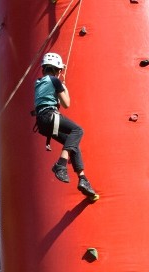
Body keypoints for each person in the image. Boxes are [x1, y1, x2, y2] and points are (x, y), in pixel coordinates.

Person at [33, 52, 98, 201]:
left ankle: (83, 179)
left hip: (42, 123)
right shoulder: (55, 81)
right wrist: (63, 87)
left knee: (73, 144)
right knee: (78, 130)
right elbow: (66, 104)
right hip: (50, 117)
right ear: (57, 69)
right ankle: (61, 164)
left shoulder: (38, 82)